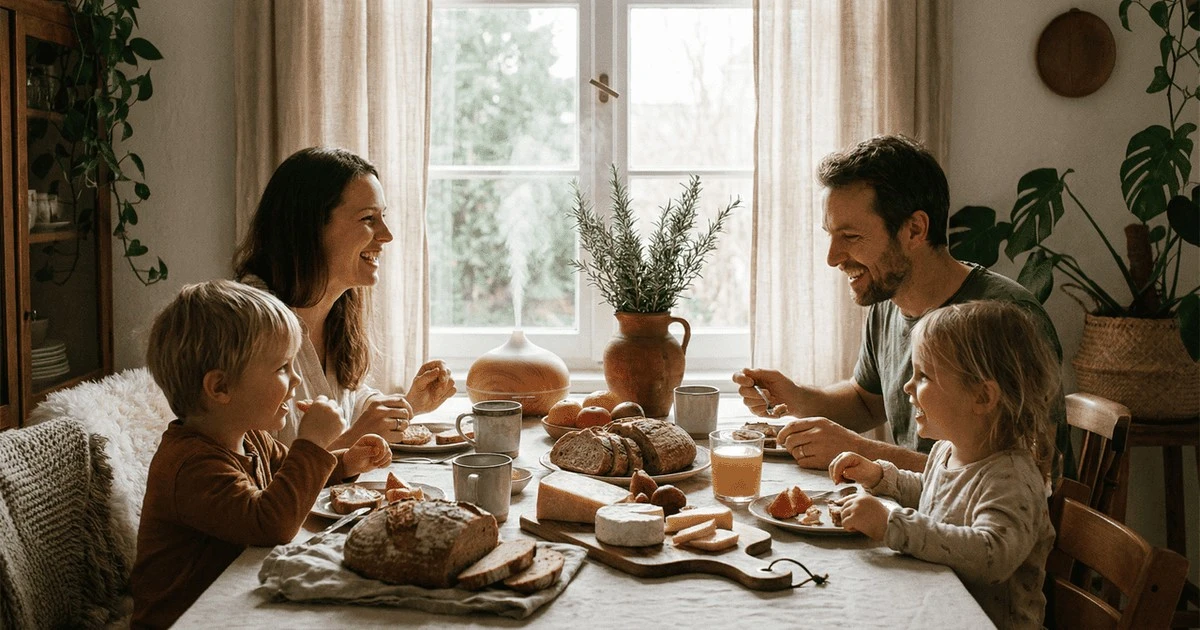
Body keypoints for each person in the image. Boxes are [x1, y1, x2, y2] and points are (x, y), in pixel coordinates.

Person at [733, 134, 1072, 475]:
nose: (832, 258)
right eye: (830, 235)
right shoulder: (887, 298)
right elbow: (867, 402)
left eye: (850, 237)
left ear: (914, 230)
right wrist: (798, 398)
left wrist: (859, 449)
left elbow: (1028, 474)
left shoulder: (1009, 319)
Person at [131, 280, 393, 629]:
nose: (297, 379)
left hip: (234, 606)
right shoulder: (190, 466)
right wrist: (312, 443)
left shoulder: (250, 437)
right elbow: (272, 523)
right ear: (220, 387)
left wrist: (345, 463)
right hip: (185, 620)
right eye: (283, 368)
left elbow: (290, 479)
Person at [829, 301, 1057, 629]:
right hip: (937, 610)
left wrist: (892, 524)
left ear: (982, 397)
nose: (908, 387)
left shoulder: (1012, 478)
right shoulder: (946, 451)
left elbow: (992, 555)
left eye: (923, 376)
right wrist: (882, 477)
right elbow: (934, 494)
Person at [234, 147, 456, 450]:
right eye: (368, 218)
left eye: (383, 217)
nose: (386, 235)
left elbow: (346, 404)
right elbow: (263, 478)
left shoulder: (335, 310)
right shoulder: (249, 325)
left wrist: (408, 405)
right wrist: (356, 438)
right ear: (309, 226)